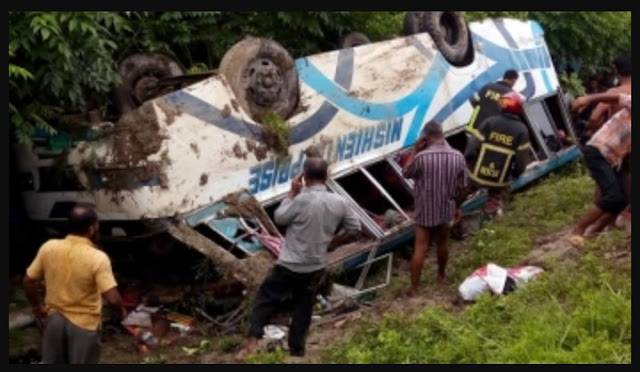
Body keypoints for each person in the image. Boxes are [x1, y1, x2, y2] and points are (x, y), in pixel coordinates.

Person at [236, 157, 361, 359]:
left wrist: (291, 194)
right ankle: (297, 351)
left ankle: (251, 343)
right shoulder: (340, 202)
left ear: (304, 177)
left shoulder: (300, 200)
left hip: (289, 264)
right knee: (303, 307)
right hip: (315, 265)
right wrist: (333, 242)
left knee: (265, 300)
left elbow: (279, 217)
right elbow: (355, 229)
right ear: (327, 176)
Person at [22, 203, 126, 364]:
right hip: (84, 326)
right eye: (97, 224)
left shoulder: (48, 248)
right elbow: (113, 299)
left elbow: (28, 281)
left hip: (54, 321)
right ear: (92, 229)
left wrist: (36, 308)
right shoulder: (97, 258)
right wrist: (121, 312)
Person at [402, 121, 468, 296]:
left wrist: (415, 149)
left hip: (424, 211)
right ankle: (441, 276)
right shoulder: (458, 156)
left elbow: (406, 173)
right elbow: (463, 187)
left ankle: (414, 288)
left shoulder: (421, 157)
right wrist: (456, 205)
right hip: (446, 208)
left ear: (425, 137)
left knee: (420, 248)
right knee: (442, 243)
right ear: (441, 134)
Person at [568, 92, 631, 247]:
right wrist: (588, 98)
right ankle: (577, 231)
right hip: (599, 149)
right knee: (613, 196)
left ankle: (593, 235)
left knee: (623, 200)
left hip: (613, 158)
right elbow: (616, 97)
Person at [464, 91, 532, 216]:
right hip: (499, 181)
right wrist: (515, 174)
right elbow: (521, 161)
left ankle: (451, 216)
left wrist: (469, 163)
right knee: (495, 202)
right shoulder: (522, 130)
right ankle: (492, 217)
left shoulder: (489, 122)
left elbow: (471, 148)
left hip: (476, 177)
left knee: (461, 194)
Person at [465, 69, 519, 137]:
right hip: (490, 134)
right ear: (514, 80)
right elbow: (512, 117)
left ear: (504, 77)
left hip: (473, 129)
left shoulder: (488, 86)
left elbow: (473, 100)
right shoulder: (512, 95)